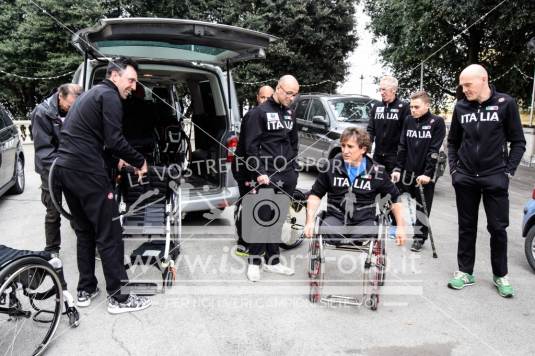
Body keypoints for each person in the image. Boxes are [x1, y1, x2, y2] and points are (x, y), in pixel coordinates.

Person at [55, 57, 152, 313]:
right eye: (130, 80)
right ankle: (119, 298)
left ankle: (86, 288)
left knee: (85, 231)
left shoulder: (90, 95)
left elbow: (95, 141)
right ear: (114, 75)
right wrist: (140, 161)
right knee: (109, 233)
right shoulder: (109, 97)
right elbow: (115, 140)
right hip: (87, 172)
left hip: (66, 170)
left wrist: (117, 162)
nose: (132, 86)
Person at [447, 64, 526, 298]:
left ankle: (500, 275)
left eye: (468, 84)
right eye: (462, 85)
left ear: (484, 79)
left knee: (498, 229)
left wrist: (507, 172)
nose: (464, 89)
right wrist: (454, 171)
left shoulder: (506, 103)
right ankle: (465, 272)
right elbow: (453, 141)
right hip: (466, 178)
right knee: (466, 227)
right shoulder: (461, 107)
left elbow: (518, 142)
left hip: (495, 177)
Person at [304, 127, 406, 247]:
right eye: (343, 146)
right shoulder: (330, 167)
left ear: (363, 149)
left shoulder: (377, 172)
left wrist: (400, 227)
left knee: (365, 232)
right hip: (335, 218)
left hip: (364, 221)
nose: (345, 151)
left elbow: (395, 198)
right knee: (328, 230)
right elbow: (315, 194)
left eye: (350, 146)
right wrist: (309, 221)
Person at [243, 75, 299, 281]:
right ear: (279, 89)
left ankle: (273, 261)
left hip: (286, 175)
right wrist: (258, 173)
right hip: (265, 175)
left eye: (295, 94)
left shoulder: (290, 113)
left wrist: (293, 169)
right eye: (289, 93)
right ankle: (254, 262)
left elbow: (294, 143)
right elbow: (250, 147)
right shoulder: (258, 113)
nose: (292, 98)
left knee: (277, 219)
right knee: (262, 218)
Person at [31, 83, 82, 256]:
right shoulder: (42, 113)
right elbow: (44, 150)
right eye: (69, 106)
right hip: (50, 169)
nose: (71, 110)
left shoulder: (74, 109)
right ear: (60, 96)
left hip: (71, 166)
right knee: (53, 210)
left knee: (78, 205)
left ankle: (85, 240)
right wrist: (62, 165)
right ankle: (52, 250)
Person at [391, 91, 446, 252]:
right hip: (407, 171)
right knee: (390, 195)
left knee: (423, 207)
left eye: (416, 107)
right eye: (411, 106)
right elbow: (402, 146)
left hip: (424, 174)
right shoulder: (408, 120)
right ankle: (396, 226)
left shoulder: (437, 122)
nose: (412, 110)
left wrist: (428, 173)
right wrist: (397, 168)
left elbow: (434, 150)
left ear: (427, 105)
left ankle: (419, 237)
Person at [232, 85, 274, 257]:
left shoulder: (270, 116)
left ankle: (256, 241)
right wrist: (256, 173)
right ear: (258, 98)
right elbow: (250, 150)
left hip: (258, 167)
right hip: (245, 168)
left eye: (269, 98)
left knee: (259, 203)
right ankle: (243, 243)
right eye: (263, 97)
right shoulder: (253, 115)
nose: (265, 101)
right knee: (250, 203)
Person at [367, 75, 410, 174]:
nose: (381, 92)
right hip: (377, 156)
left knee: (392, 187)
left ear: (394, 90)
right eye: (380, 89)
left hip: (394, 157)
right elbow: (370, 130)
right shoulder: (376, 107)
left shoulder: (404, 107)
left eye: (384, 89)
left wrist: (401, 157)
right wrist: (367, 150)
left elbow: (406, 133)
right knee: (375, 185)